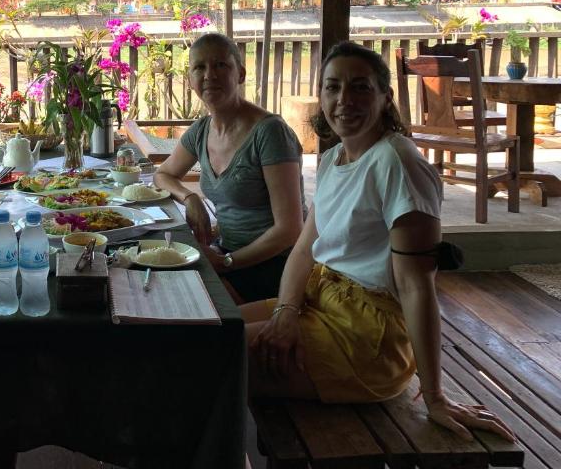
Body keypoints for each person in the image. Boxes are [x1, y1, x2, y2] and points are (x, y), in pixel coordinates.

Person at [243, 42, 515, 440]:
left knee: (208, 355)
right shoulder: (335, 158)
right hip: (322, 300)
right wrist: (286, 313)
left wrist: (435, 395)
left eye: (360, 88)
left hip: (366, 338)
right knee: (207, 328)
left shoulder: (398, 163)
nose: (343, 100)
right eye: (332, 88)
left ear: (385, 97)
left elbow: (415, 285)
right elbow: (304, 250)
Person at [153, 32, 306, 303]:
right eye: (199, 67)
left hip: (275, 265)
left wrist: (226, 262)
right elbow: (163, 174)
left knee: (183, 303)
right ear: (190, 80)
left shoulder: (270, 133)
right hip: (227, 253)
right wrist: (191, 198)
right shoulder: (201, 131)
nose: (209, 75)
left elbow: (290, 229)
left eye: (220, 65)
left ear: (241, 74)